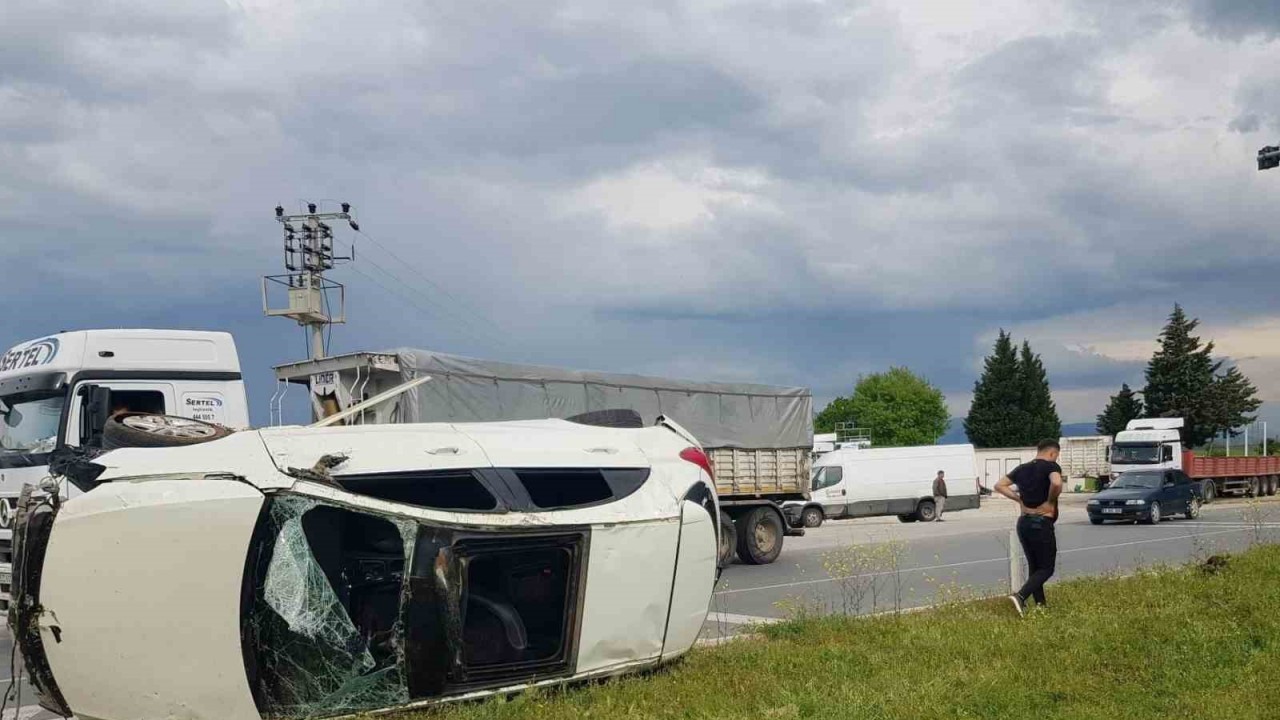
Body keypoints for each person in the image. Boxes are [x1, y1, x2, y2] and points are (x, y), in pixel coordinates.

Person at [995, 439, 1063, 616]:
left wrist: (1020, 500)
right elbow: (1056, 483)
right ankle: (1020, 596)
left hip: (1024, 522)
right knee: (1047, 568)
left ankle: (1041, 606)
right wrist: (1049, 501)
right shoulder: (1051, 466)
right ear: (1052, 453)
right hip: (1041, 523)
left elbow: (999, 485)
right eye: (1056, 455)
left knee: (1035, 567)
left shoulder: (1022, 468)